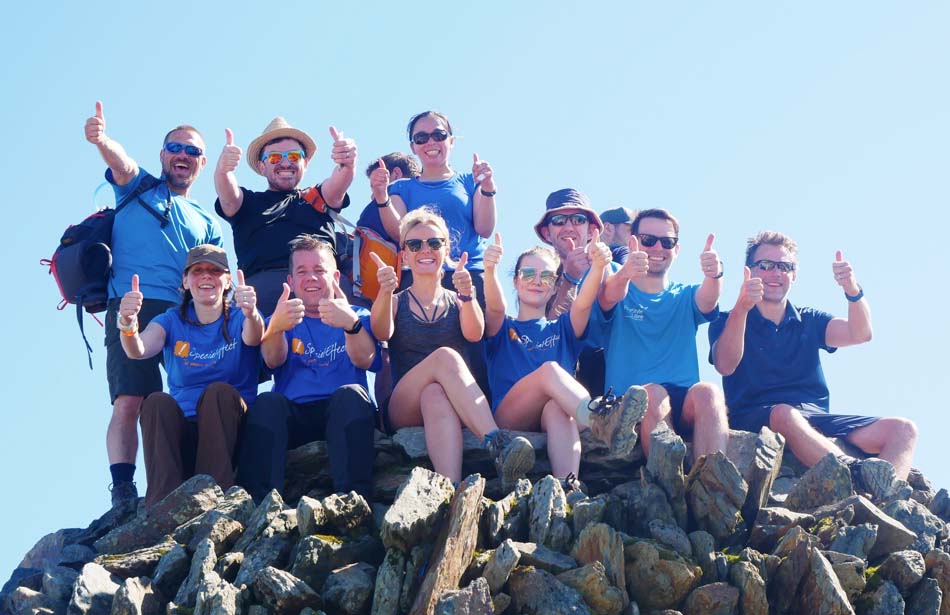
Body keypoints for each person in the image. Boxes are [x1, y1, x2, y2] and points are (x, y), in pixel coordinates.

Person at [84, 101, 223, 509]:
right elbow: (121, 163)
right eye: (175, 148)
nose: (183, 155)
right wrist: (102, 141)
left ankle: (187, 475)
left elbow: (213, 272)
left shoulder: (206, 220)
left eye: (193, 151)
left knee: (192, 395)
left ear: (201, 162)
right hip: (132, 305)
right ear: (163, 155)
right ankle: (124, 489)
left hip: (186, 312)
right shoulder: (138, 187)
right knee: (131, 399)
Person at [709, 231, 918, 481]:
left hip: (814, 417)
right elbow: (725, 365)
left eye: (785, 266)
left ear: (794, 275)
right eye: (766, 265)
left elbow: (860, 333)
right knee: (784, 414)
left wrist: (852, 290)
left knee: (903, 430)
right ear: (749, 271)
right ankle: (854, 474)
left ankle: (886, 496)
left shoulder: (808, 319)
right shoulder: (727, 319)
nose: (776, 273)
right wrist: (743, 307)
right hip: (757, 416)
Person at [370, 209, 532, 485]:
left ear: (446, 250)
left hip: (446, 402)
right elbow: (381, 331)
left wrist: (467, 296)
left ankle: (453, 490)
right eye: (415, 244)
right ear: (404, 254)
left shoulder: (459, 301)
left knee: (435, 394)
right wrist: (384, 292)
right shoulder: (396, 301)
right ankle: (498, 443)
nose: (425, 250)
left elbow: (474, 334)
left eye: (434, 243)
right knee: (445, 357)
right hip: (403, 406)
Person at [482, 235, 649, 482]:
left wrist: (599, 267)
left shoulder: (562, 328)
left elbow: (582, 304)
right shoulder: (503, 328)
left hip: (558, 411)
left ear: (554, 285)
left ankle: (567, 487)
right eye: (528, 274)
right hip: (511, 417)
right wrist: (490, 270)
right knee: (549, 370)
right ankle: (599, 417)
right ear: (516, 282)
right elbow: (495, 308)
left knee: (557, 409)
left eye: (546, 276)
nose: (537, 281)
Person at [117, 245, 263, 508]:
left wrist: (251, 312)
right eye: (197, 271)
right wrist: (127, 323)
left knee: (217, 392)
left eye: (215, 271)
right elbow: (138, 350)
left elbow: (254, 337)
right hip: (185, 432)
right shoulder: (172, 320)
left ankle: (215, 499)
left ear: (228, 280)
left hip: (233, 430)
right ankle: (162, 506)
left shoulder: (241, 315)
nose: (206, 276)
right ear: (185, 281)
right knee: (156, 401)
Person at [237, 235, 380, 501]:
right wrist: (276, 328)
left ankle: (354, 501)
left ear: (335, 277)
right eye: (302, 272)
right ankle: (260, 504)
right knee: (267, 402)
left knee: (351, 395)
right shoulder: (281, 317)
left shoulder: (357, 315)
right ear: (290, 282)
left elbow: (367, 360)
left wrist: (351, 325)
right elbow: (271, 361)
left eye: (319, 270)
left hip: (344, 412)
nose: (311, 278)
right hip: (296, 416)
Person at [594, 208, 729, 461]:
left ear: (676, 250)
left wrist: (714, 274)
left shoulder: (684, 295)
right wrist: (626, 271)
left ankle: (713, 483)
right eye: (648, 240)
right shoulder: (616, 278)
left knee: (709, 392)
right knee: (652, 394)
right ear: (633, 242)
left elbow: (708, 300)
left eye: (667, 242)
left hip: (683, 400)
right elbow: (606, 297)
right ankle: (666, 480)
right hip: (629, 405)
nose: (658, 247)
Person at [213, 117, 358, 315]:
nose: (284, 163)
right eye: (274, 157)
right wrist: (223, 170)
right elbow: (228, 196)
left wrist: (347, 162)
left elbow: (340, 181)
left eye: (293, 156)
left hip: (325, 295)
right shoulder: (248, 203)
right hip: (265, 301)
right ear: (262, 166)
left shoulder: (318, 197)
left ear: (305, 163)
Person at [534, 188, 608, 397]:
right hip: (560, 372)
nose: (568, 227)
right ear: (547, 232)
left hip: (605, 370)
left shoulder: (610, 267)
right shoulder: (536, 273)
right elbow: (544, 335)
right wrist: (570, 279)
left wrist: (602, 268)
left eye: (577, 219)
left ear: (592, 229)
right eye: (558, 220)